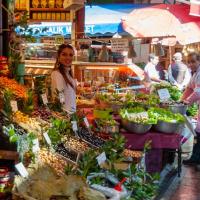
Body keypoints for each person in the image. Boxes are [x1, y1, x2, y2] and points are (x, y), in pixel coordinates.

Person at [182, 52, 200, 166]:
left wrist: (186, 102)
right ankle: (196, 157)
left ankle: (196, 158)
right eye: (189, 62)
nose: (191, 64)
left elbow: (198, 92)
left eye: (193, 61)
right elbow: (189, 88)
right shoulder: (195, 74)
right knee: (198, 131)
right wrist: (180, 100)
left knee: (199, 131)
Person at [51, 44, 76, 112]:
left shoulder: (68, 73)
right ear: (58, 57)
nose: (68, 57)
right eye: (64, 54)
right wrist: (66, 115)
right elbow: (60, 98)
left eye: (71, 55)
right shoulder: (57, 74)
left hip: (71, 113)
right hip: (66, 116)